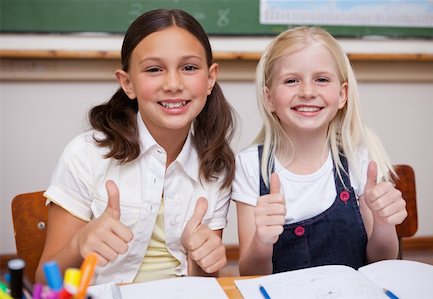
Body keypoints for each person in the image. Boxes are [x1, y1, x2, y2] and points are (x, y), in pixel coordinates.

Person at [36, 8, 236, 284]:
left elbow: (203, 282)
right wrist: (78, 244)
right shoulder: (85, 155)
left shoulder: (216, 165)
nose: (174, 84)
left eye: (189, 68)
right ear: (127, 83)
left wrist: (203, 258)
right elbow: (44, 284)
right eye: (154, 69)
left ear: (210, 78)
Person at [232, 26, 407, 276]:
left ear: (342, 95)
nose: (307, 92)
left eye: (322, 79)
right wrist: (262, 240)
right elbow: (250, 273)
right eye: (291, 80)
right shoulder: (250, 166)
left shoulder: (358, 160)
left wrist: (383, 225)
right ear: (269, 98)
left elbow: (382, 259)